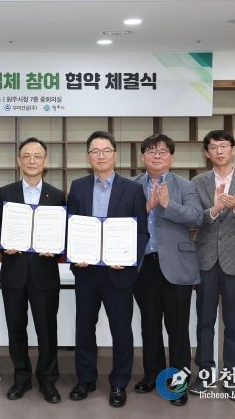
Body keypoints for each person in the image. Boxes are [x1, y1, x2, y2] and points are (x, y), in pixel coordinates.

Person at [66, 131, 149, 408]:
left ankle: (119, 383)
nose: (100, 156)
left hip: (118, 271)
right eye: (95, 151)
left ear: (115, 154)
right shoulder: (78, 187)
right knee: (84, 327)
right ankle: (85, 379)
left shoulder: (132, 189)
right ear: (88, 156)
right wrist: (74, 254)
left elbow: (141, 232)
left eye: (106, 151)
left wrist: (128, 258)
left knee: (121, 329)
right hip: (87, 271)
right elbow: (70, 226)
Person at [189, 130, 235, 399]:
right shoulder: (197, 182)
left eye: (224, 146)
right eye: (213, 147)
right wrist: (214, 210)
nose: (219, 151)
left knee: (233, 322)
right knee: (205, 320)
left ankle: (232, 377)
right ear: (207, 153)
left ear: (233, 149)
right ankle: (205, 374)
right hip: (206, 259)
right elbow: (193, 219)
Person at [0, 137, 66, 404]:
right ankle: (21, 378)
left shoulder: (57, 195)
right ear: (19, 161)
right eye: (27, 156)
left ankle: (48, 380)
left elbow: (63, 231)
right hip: (14, 272)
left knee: (47, 329)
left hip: (45, 273)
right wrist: (4, 243)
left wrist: (56, 248)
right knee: (16, 328)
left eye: (37, 156)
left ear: (45, 161)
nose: (32, 161)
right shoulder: (5, 193)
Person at [132, 134, 203, 407]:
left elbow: (197, 217)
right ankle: (152, 374)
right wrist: (146, 207)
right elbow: (122, 219)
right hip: (144, 265)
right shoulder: (131, 186)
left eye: (162, 152)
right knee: (149, 325)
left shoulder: (185, 185)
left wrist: (167, 205)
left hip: (176, 266)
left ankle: (177, 383)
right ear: (143, 157)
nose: (157, 156)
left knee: (178, 328)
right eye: (151, 151)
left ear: (171, 157)